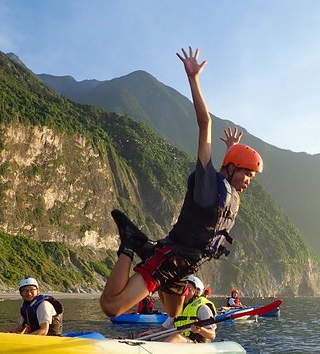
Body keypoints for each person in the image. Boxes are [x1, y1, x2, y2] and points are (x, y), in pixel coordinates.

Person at [99, 46, 263, 319]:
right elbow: (204, 122)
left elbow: (224, 186)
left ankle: (143, 247)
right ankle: (129, 246)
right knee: (111, 308)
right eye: (247, 174)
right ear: (232, 167)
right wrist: (193, 79)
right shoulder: (206, 181)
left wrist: (233, 149)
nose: (248, 181)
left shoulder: (228, 190)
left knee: (174, 316)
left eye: (251, 177)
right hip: (170, 258)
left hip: (185, 266)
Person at [161, 275, 217, 343]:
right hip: (183, 340)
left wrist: (200, 330)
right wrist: (151, 332)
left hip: (198, 343)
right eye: (183, 286)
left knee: (176, 337)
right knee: (175, 336)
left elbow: (212, 335)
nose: (184, 288)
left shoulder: (203, 308)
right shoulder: (178, 308)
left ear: (197, 291)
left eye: (188, 286)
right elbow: (163, 329)